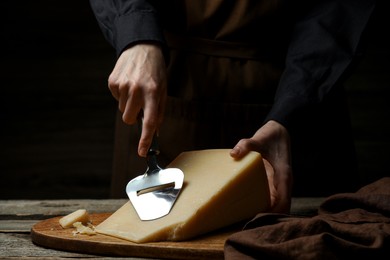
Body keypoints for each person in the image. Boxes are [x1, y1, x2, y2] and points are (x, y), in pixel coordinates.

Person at [89, 0, 375, 213]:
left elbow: (341, 7)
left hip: (303, 101)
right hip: (163, 87)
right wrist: (136, 34)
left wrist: (293, 107)